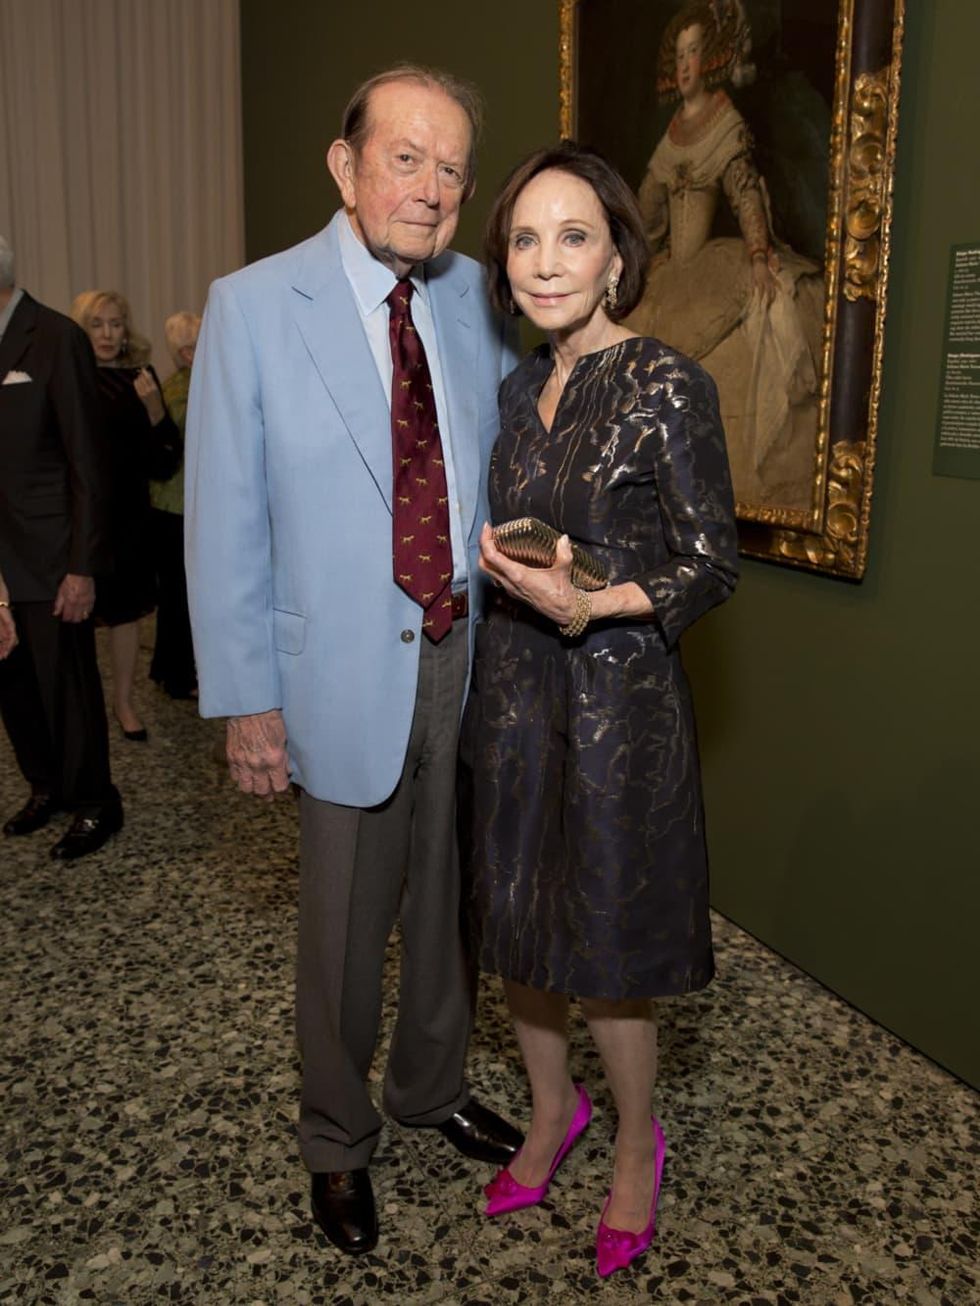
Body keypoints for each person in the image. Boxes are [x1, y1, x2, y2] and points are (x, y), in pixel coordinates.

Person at [184, 65, 522, 1257]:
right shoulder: (253, 304)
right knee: (338, 933)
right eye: (405, 159)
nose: (429, 191)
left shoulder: (482, 299)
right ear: (345, 165)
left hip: (464, 656)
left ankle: (428, 1087)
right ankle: (336, 1137)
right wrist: (245, 703)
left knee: (449, 910)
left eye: (450, 169)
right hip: (330, 673)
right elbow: (223, 514)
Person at [459, 141, 738, 1277]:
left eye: (572, 236)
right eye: (524, 238)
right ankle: (547, 1112)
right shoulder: (520, 389)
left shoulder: (671, 382)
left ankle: (633, 1142)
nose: (544, 260)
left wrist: (592, 600)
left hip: (618, 703)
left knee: (608, 950)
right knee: (521, 921)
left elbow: (710, 562)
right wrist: (508, 563)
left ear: (617, 257)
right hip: (517, 694)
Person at [627, 0, 824, 511]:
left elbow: (744, 192)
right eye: (680, 55)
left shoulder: (724, 119)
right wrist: (632, 252)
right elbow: (649, 210)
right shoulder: (673, 130)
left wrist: (759, 253)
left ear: (711, 57)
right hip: (674, 265)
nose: (685, 65)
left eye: (694, 53)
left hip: (715, 264)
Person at [0, 235, 123, 859]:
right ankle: (46, 785)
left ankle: (95, 800)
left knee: (65, 687)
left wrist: (82, 567)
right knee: (13, 687)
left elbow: (87, 464)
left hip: (51, 557)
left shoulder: (52, 337)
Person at [71, 290, 181, 741]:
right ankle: (81, 709)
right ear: (83, 328)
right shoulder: (70, 376)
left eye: (116, 323)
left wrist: (156, 411)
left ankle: (123, 703)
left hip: (131, 518)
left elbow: (164, 462)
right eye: (97, 324)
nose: (108, 333)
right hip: (80, 516)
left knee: (125, 615)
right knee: (74, 617)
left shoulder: (142, 376)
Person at [149, 311, 200, 700]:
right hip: (177, 508)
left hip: (170, 506)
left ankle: (168, 670)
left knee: (174, 594)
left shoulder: (172, 387)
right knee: (180, 596)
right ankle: (179, 676)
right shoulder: (185, 391)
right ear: (186, 352)